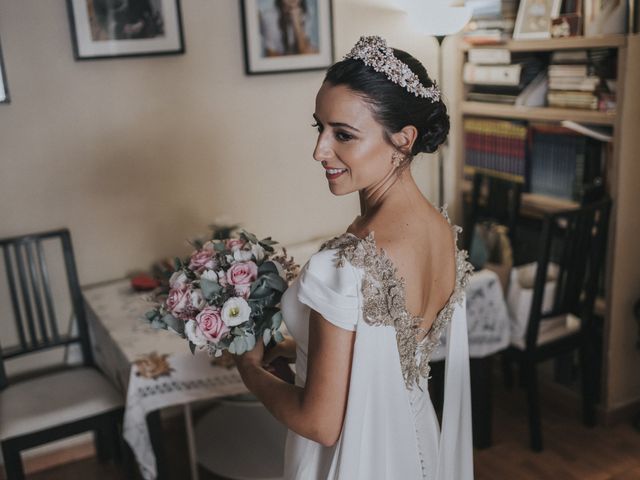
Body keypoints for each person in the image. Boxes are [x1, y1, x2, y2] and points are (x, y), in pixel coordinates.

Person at [233, 35, 474, 479]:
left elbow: (320, 424)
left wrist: (249, 369)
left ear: (404, 139)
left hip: (352, 460)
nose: (320, 150)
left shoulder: (344, 265)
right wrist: (292, 348)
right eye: (319, 128)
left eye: (343, 134)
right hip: (416, 447)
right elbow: (384, 351)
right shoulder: (442, 233)